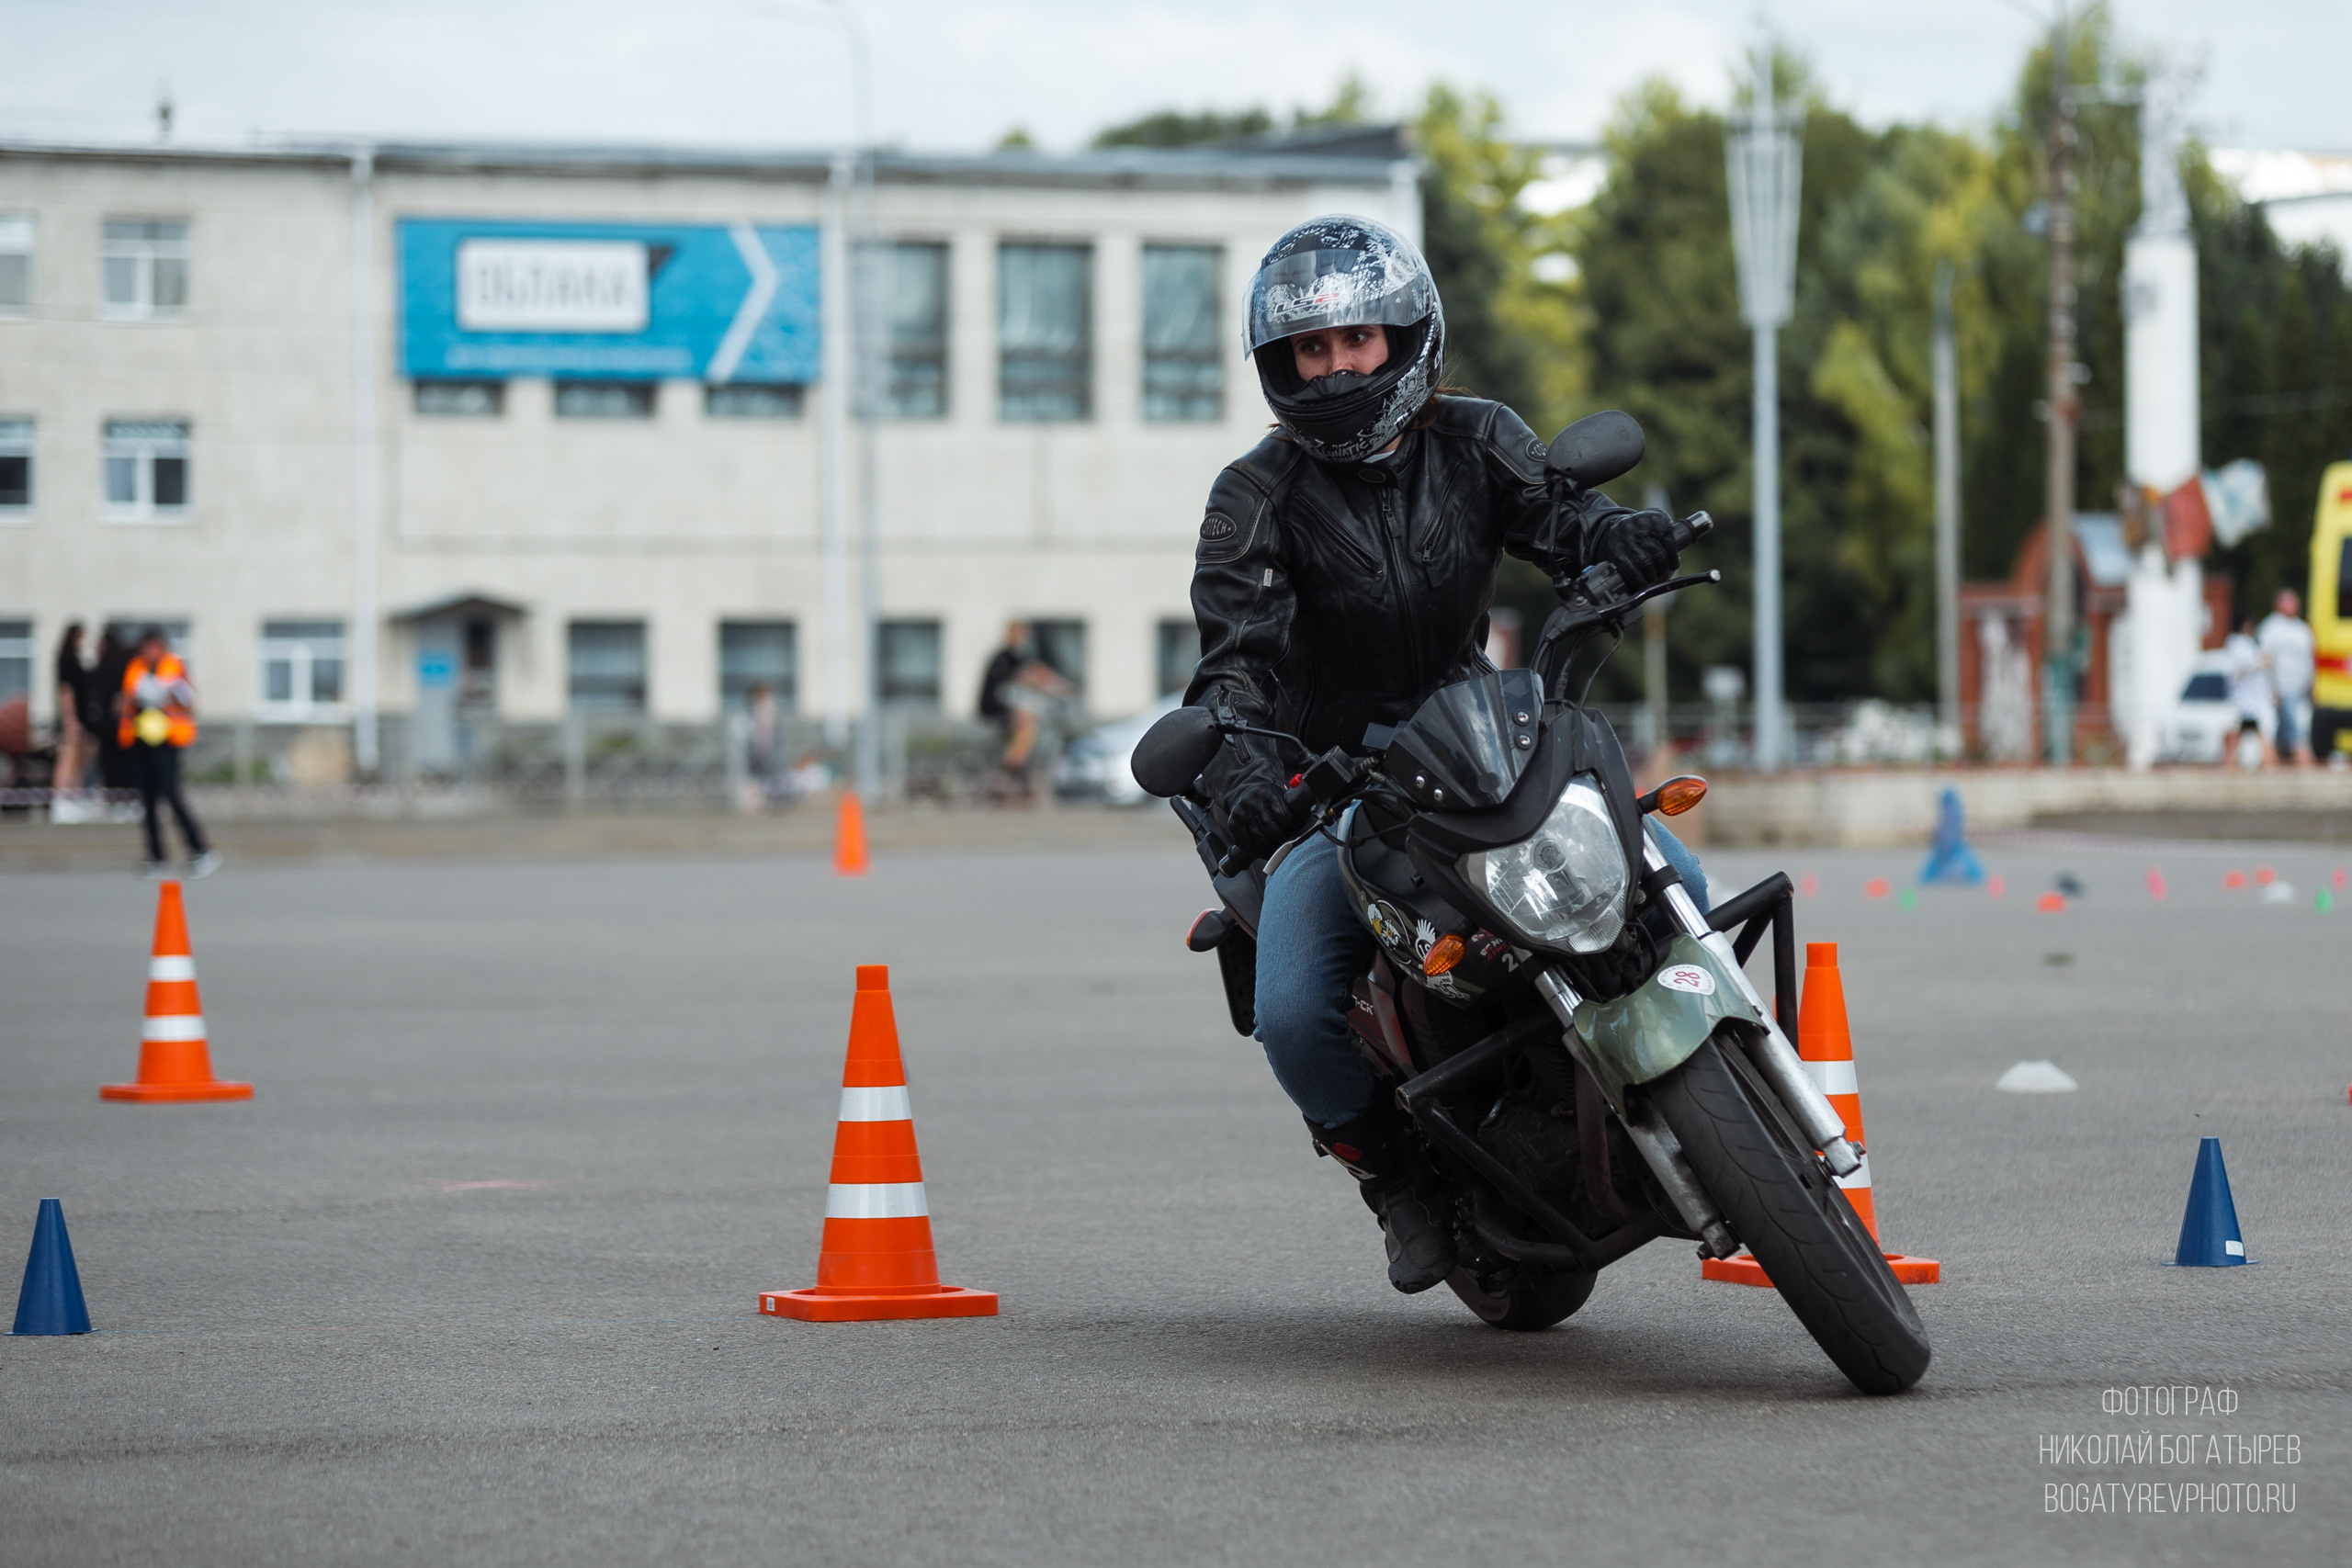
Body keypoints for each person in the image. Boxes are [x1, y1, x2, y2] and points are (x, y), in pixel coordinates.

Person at [1183, 215, 1704, 1294]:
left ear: (1404, 334)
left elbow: (1564, 519)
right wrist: (1242, 776)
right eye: (1310, 351)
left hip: (1487, 742)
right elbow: (1231, 663)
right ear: (1281, 366)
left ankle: (1728, 1070)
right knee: (1290, 1006)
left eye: (1356, 341)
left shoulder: (1476, 437)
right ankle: (1398, 1183)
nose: (1334, 367)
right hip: (1336, 790)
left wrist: (1621, 541)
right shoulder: (1253, 498)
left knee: (1678, 879)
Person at [119, 626, 217, 876]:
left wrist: (170, 692)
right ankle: (155, 856)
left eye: (154, 647)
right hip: (141, 741)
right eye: (145, 648)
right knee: (148, 801)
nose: (149, 652)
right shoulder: (135, 669)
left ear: (162, 647)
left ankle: (201, 850)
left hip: (168, 742)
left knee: (171, 795)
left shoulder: (175, 668)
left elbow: (189, 700)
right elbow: (127, 700)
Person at [977, 621, 1075, 795]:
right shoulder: (1005, 656)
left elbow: (1039, 671)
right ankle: (1012, 766)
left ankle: (1020, 768)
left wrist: (1060, 685)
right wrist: (1056, 689)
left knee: (1031, 716)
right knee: (1025, 722)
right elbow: (1031, 677)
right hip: (994, 707)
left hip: (1003, 704)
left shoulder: (1018, 656)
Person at [2258, 588, 2315, 766]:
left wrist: (2311, 686)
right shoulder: (2271, 628)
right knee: (2296, 734)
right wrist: (2271, 688)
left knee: (2290, 733)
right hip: (2280, 690)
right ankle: (2305, 769)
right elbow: (2265, 660)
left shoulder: (2303, 629)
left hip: (2299, 689)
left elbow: (2310, 659)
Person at [51, 622, 94, 820]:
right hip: (73, 718)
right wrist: (70, 719)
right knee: (68, 757)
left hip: (82, 717)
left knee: (79, 758)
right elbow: (65, 692)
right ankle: (60, 800)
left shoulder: (76, 658)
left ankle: (75, 797)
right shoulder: (66, 660)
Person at [2222, 616, 2274, 771]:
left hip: (2254, 700)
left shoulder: (2248, 646)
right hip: (2243, 700)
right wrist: (2260, 660)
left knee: (2263, 737)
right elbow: (2245, 664)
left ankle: (2268, 767)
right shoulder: (2237, 645)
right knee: (2236, 738)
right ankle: (2230, 767)